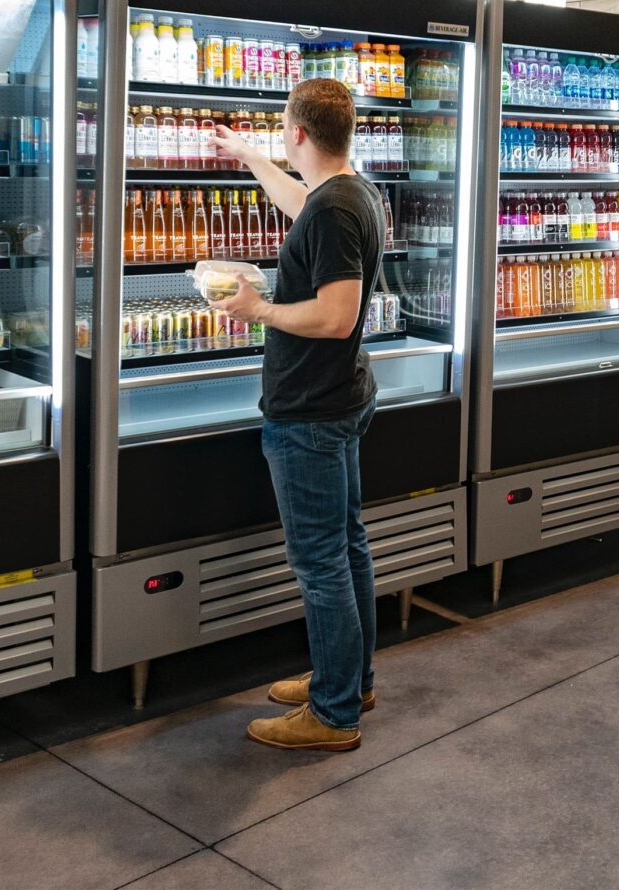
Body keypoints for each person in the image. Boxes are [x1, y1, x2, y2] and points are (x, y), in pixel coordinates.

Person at [212, 78, 384, 752]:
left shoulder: (337, 208)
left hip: (311, 408)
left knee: (322, 562)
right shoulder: (347, 192)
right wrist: (252, 158)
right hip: (339, 399)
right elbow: (301, 205)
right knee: (346, 546)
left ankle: (334, 712)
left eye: (283, 130)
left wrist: (259, 310)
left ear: (300, 133)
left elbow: (336, 317)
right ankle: (351, 677)